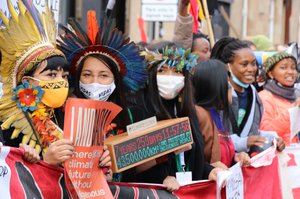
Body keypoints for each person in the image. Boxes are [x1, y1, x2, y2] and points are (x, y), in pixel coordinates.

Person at [0, 1, 110, 169]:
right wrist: (45, 163)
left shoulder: (71, 119)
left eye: (64, 76)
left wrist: (102, 167)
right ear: (26, 81)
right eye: (51, 74)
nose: (60, 81)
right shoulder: (5, 127)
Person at [57, 11, 147, 180]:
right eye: (87, 75)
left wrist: (116, 166)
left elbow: (143, 169)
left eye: (104, 76)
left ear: (116, 80)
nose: (94, 82)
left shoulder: (134, 116)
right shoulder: (61, 115)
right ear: (77, 78)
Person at [123, 47, 221, 192]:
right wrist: (160, 177)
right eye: (162, 71)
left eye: (177, 71)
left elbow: (191, 156)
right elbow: (131, 161)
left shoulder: (186, 109)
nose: (170, 77)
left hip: (184, 191)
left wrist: (209, 171)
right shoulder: (137, 108)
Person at [210, 37, 285, 154]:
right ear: (227, 66)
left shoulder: (253, 93)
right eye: (244, 64)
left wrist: (272, 139)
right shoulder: (220, 94)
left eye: (253, 64)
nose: (251, 69)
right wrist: (243, 143)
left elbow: (252, 133)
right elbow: (216, 137)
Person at [192, 59, 250, 168]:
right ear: (215, 87)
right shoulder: (199, 114)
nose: (231, 90)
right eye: (228, 85)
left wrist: (236, 156)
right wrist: (210, 170)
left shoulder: (218, 113)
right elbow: (196, 160)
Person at [259, 52, 300, 145]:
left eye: (293, 68)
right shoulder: (264, 97)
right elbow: (266, 132)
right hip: (276, 155)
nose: (290, 72)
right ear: (270, 74)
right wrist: (294, 110)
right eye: (283, 67)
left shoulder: (296, 95)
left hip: (294, 154)